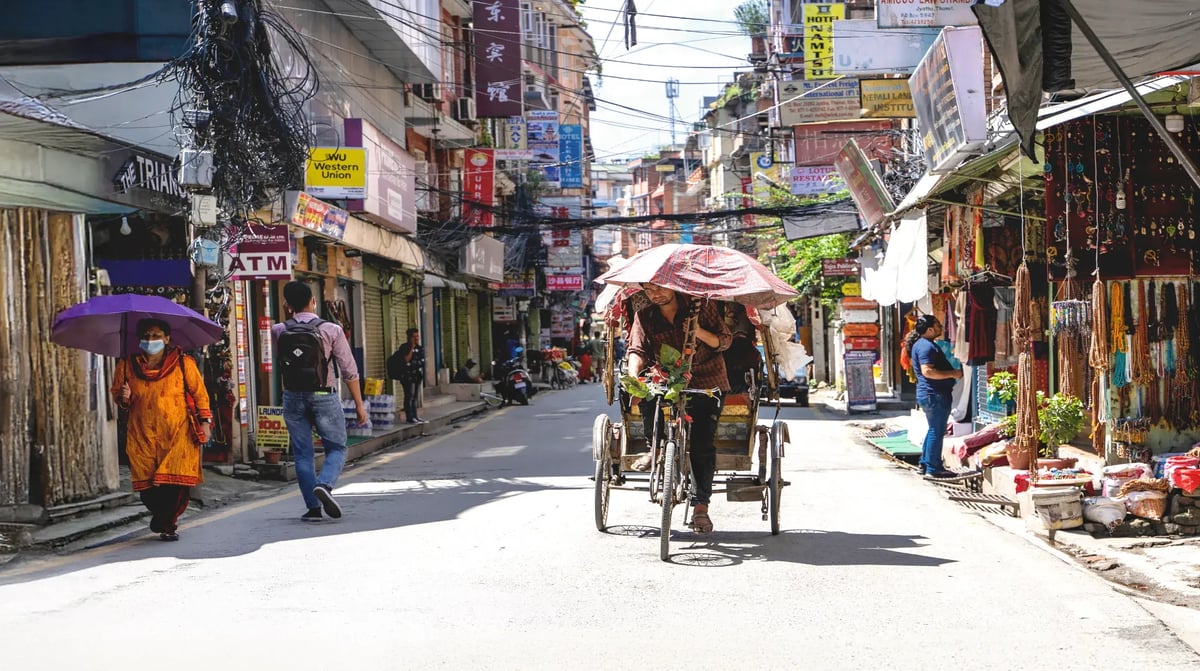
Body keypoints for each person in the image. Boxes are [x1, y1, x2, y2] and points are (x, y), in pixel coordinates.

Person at [627, 283, 732, 534]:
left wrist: (698, 332)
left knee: (702, 444)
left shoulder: (700, 307)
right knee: (647, 395)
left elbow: (724, 341)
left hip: (707, 381)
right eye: (649, 290)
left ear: (671, 286)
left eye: (659, 288)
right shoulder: (645, 316)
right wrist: (633, 376)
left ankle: (700, 508)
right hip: (665, 377)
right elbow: (637, 350)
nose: (655, 294)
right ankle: (656, 448)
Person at [273, 281, 368, 522]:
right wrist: (358, 403)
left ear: (287, 305)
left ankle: (313, 509)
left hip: (293, 395)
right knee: (336, 447)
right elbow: (349, 370)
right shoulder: (332, 330)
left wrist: (288, 319)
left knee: (303, 454)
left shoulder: (278, 330)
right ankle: (325, 485)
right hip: (324, 395)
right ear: (313, 301)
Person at [111, 318, 212, 541]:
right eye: (146, 336)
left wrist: (205, 422)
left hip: (178, 433)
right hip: (142, 433)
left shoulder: (184, 363)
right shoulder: (127, 366)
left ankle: (167, 523)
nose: (151, 340)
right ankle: (161, 515)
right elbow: (119, 397)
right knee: (147, 485)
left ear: (167, 339)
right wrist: (123, 397)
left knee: (175, 484)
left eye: (156, 336)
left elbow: (200, 395)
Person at [906, 314, 963, 478]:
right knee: (936, 431)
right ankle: (933, 468)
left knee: (933, 429)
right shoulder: (926, 347)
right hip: (934, 394)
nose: (940, 327)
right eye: (937, 325)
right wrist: (953, 373)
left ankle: (925, 464)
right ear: (930, 329)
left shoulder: (923, 344)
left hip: (930, 394)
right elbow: (928, 371)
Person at [389, 327, 426, 424]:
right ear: (409, 338)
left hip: (417, 376)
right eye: (414, 337)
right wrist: (411, 348)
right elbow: (406, 359)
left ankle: (415, 416)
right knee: (409, 396)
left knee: (415, 397)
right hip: (407, 376)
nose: (416, 339)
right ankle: (410, 417)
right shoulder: (404, 347)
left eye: (417, 336)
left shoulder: (420, 348)